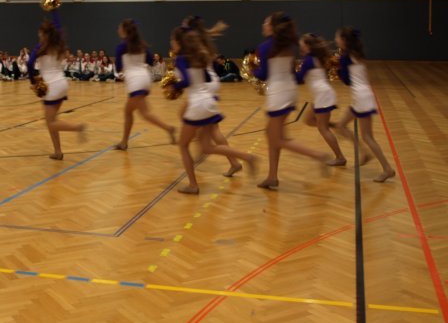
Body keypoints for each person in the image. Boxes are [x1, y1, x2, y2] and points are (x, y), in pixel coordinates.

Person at [171, 25, 256, 194]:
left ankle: (193, 185)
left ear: (179, 42)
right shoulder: (198, 55)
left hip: (197, 105)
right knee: (207, 147)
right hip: (209, 102)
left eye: (172, 40)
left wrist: (175, 86)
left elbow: (187, 81)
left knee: (183, 145)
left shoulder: (181, 59)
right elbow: (207, 78)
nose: (171, 43)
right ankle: (246, 157)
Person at [254, 13, 333, 190]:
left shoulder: (265, 47)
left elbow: (264, 74)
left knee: (277, 139)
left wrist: (253, 71)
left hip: (278, 94)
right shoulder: (288, 46)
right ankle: (272, 177)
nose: (263, 24)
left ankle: (319, 155)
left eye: (266, 21)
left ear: (272, 26)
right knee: (271, 134)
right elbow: (291, 70)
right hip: (289, 91)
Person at [332, 27, 396, 183]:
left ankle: (387, 168)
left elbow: (347, 81)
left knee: (367, 136)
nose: (335, 39)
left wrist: (337, 69)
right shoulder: (356, 54)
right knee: (341, 126)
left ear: (344, 40)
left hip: (361, 97)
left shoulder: (345, 58)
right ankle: (364, 152)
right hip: (363, 95)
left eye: (337, 37)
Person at [27, 9, 87, 160]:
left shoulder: (40, 48)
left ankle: (77, 127)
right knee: (52, 120)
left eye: (40, 33)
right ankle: (58, 152)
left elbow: (29, 64)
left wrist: (33, 81)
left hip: (51, 87)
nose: (38, 35)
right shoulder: (59, 45)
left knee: (50, 123)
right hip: (62, 84)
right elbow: (58, 26)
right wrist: (54, 10)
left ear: (44, 34)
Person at [113, 18, 176, 150]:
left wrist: (125, 69)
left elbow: (118, 67)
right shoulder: (141, 45)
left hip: (135, 81)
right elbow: (151, 61)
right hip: (145, 78)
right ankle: (124, 143)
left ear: (124, 30)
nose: (118, 29)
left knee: (145, 114)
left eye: (119, 27)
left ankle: (169, 128)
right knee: (129, 112)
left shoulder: (121, 46)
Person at [298, 33, 346, 165]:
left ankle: (340, 157)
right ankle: (336, 126)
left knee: (322, 129)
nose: (300, 45)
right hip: (321, 95)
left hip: (322, 95)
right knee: (308, 120)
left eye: (302, 43)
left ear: (307, 45)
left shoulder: (309, 60)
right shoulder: (313, 58)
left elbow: (299, 79)